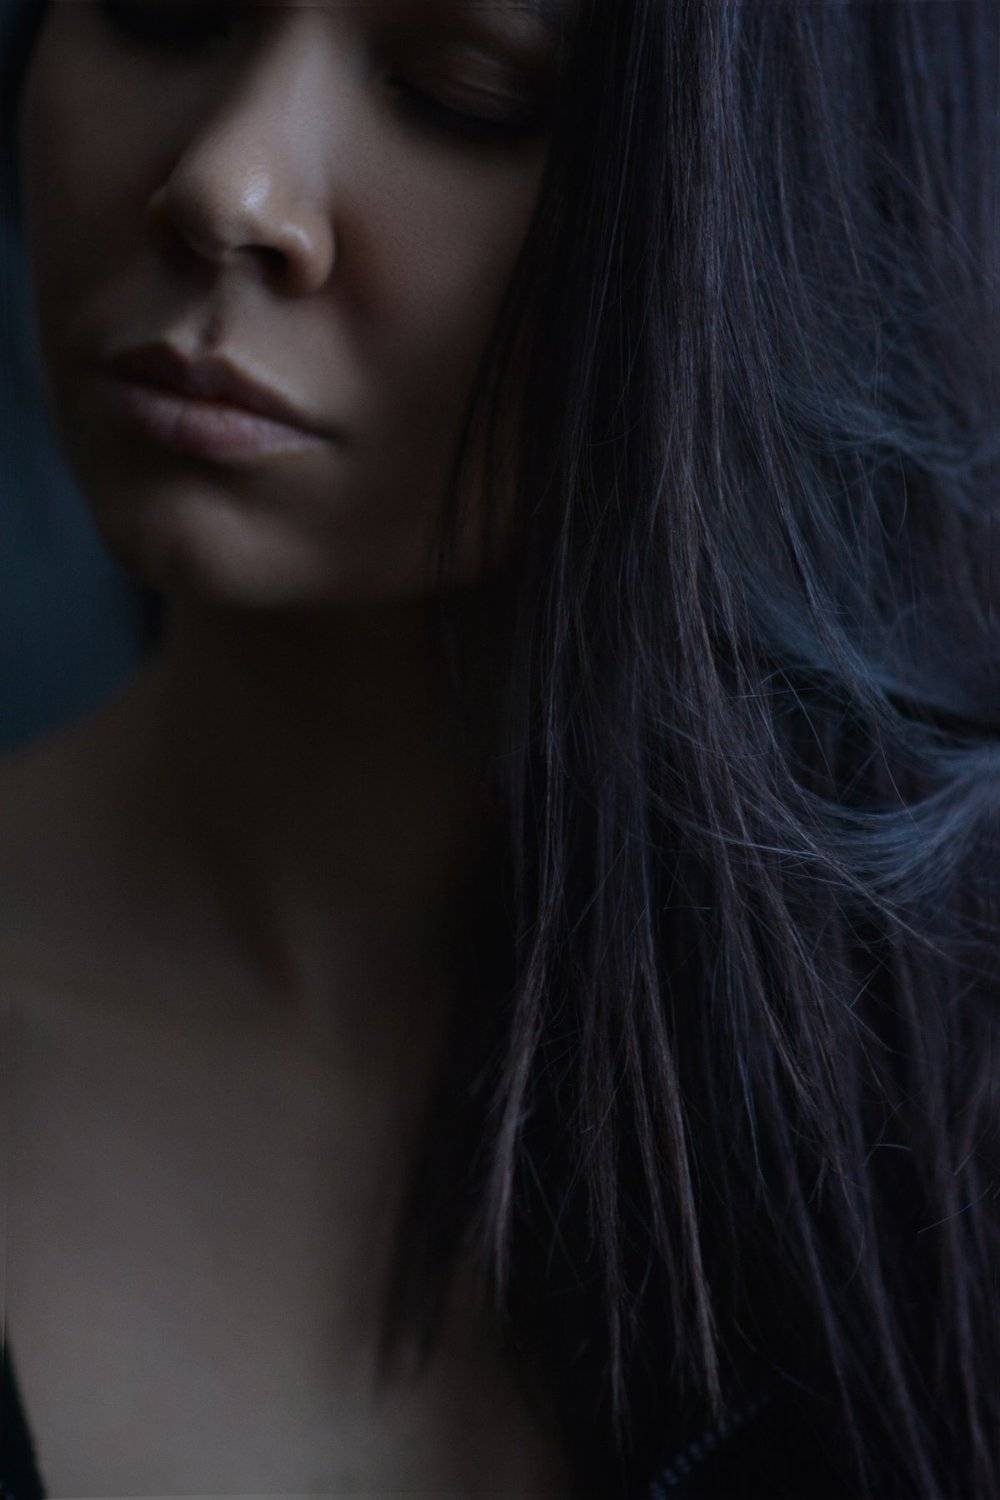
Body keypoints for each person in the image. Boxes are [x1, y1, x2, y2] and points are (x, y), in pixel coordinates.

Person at [0, 1, 996, 1496]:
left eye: (462, 94)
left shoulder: (946, 1094)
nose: (226, 185)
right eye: (162, 13)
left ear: (776, 207)